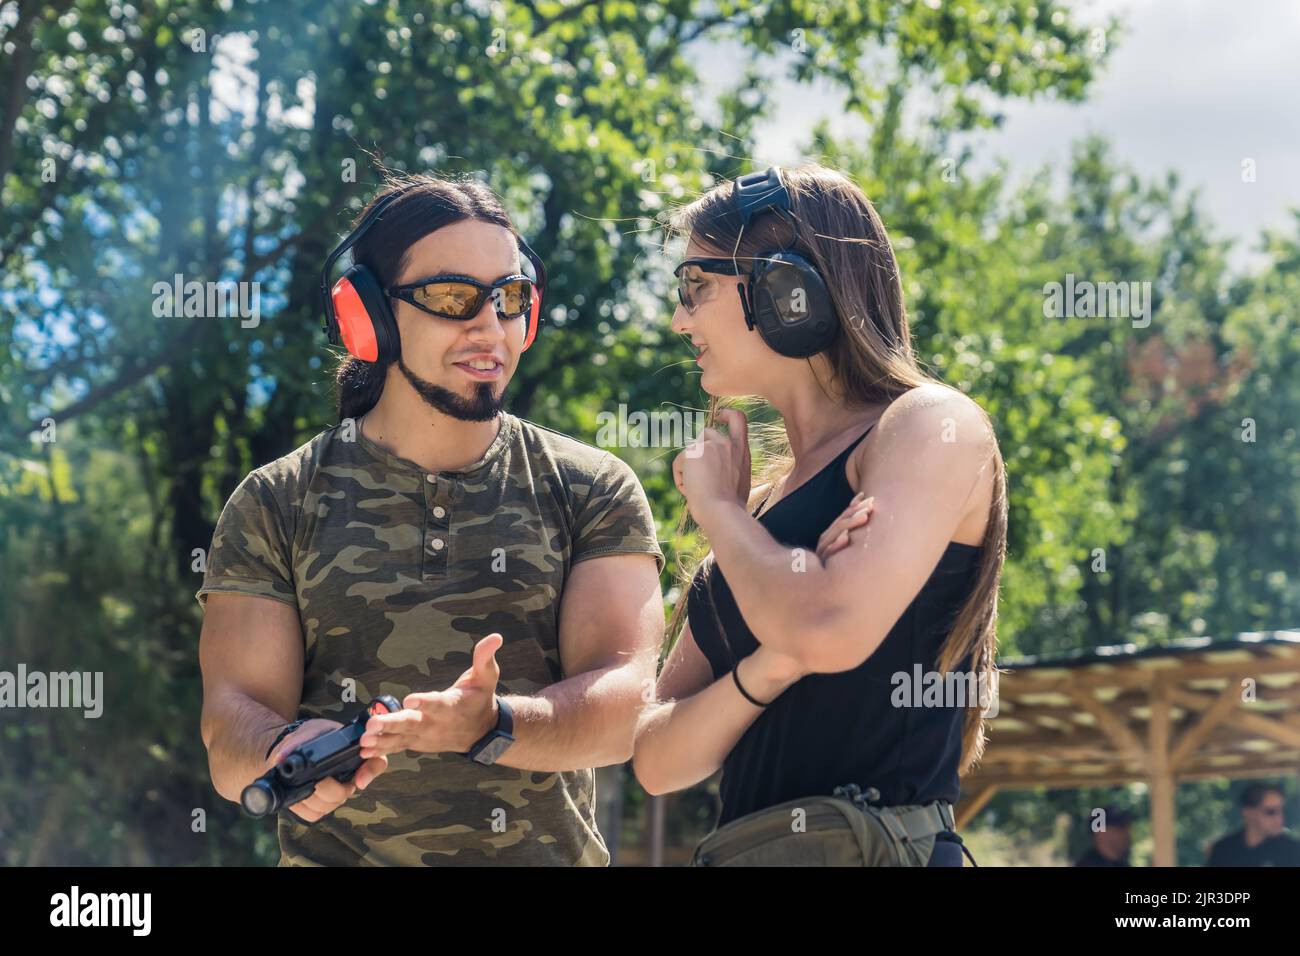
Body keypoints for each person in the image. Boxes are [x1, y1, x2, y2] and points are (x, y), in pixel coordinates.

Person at [198, 175, 665, 865]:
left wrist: (496, 722)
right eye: (453, 298)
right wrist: (279, 750)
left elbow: (626, 703)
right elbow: (230, 724)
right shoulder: (276, 501)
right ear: (369, 317)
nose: (490, 326)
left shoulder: (591, 488)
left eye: (510, 298)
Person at [631, 164, 1007, 866]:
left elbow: (827, 627)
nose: (680, 319)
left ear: (787, 291)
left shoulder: (927, 424)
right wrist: (774, 662)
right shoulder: (753, 520)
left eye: (696, 287)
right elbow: (655, 757)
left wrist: (718, 512)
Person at [1206, 783, 1300, 866]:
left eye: (1281, 810)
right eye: (1271, 812)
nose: (1279, 818)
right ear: (1248, 813)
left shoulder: (1292, 850)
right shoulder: (1223, 850)